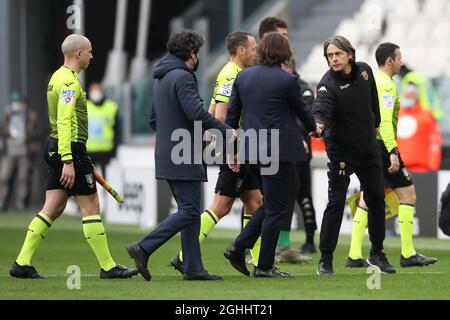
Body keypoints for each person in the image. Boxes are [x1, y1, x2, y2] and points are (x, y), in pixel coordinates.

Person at [9, 34, 138, 280]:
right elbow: (66, 120)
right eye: (89, 51)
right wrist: (69, 159)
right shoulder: (68, 83)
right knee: (91, 207)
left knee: (53, 207)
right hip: (69, 149)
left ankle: (21, 262)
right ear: (77, 53)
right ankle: (108, 267)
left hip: (56, 146)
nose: (92, 55)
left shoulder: (57, 77)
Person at [126, 30, 235, 281]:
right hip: (182, 153)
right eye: (198, 53)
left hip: (169, 151)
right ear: (192, 54)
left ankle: (193, 267)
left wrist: (172, 136)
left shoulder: (161, 77)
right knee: (188, 210)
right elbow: (196, 112)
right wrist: (225, 131)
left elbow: (154, 119)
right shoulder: (183, 77)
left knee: (190, 209)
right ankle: (143, 247)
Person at [224, 32, 320, 278]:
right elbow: (302, 111)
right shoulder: (286, 80)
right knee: (277, 208)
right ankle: (262, 264)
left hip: (251, 151)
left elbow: (232, 119)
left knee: (271, 205)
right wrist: (315, 129)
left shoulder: (243, 78)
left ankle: (240, 248)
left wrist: (233, 151)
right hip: (278, 152)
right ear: (284, 52)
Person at [169, 31, 262, 274]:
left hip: (238, 147)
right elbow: (220, 116)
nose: (256, 52)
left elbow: (212, 108)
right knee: (221, 205)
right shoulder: (231, 75)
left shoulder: (230, 73)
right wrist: (230, 150)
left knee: (255, 203)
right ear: (241, 50)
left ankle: (260, 260)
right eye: (253, 48)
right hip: (235, 149)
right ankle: (184, 255)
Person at [346, 43, 437, 268]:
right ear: (390, 61)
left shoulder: (372, 80)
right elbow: (385, 122)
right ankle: (407, 253)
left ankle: (354, 254)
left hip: (369, 146)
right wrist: (393, 151)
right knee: (408, 194)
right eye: (399, 58)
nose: (401, 62)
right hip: (383, 148)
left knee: (369, 197)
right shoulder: (386, 86)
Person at [312, 35, 395, 275]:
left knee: (377, 199)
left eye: (338, 54)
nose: (334, 59)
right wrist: (317, 124)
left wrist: (377, 123)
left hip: (368, 150)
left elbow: (374, 102)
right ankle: (325, 259)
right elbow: (320, 110)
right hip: (341, 153)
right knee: (336, 203)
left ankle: (377, 253)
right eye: (329, 55)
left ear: (350, 54)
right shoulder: (327, 84)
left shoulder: (366, 71)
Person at [276, 57, 317, 264]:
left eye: (282, 66)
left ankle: (310, 239)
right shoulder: (283, 85)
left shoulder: (303, 88)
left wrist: (297, 137)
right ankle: (282, 244)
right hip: (285, 148)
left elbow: (305, 117)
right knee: (288, 196)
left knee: (303, 195)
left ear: (290, 66)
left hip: (301, 151)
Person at [0, 92, 37, 211]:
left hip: (23, 151)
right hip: (9, 151)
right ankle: (2, 199)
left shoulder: (29, 115)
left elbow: (36, 129)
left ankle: (21, 201)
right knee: (4, 176)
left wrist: (30, 137)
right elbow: (3, 130)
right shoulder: (7, 115)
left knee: (23, 177)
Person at [86, 83, 120, 179]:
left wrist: (115, 150)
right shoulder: (84, 106)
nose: (95, 93)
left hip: (106, 153)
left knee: (107, 182)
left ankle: (105, 195)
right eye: (93, 90)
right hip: (89, 153)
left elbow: (117, 131)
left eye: (97, 90)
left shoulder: (112, 107)